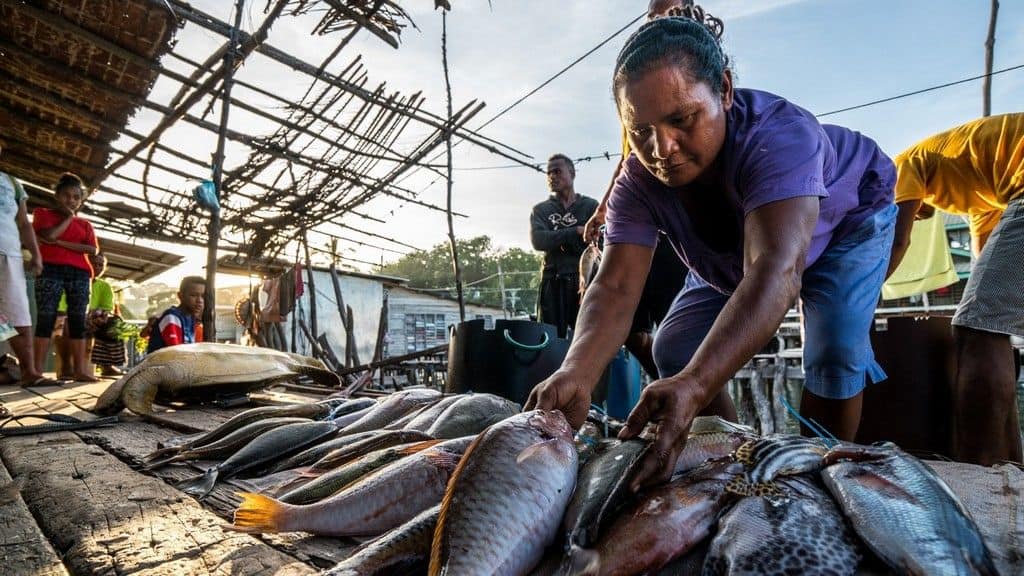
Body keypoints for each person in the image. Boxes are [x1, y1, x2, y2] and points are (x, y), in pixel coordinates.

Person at [527, 7, 897, 490]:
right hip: (734, 248)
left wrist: (698, 384)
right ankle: (734, 455)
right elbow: (615, 286)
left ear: (723, 89)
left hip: (844, 224)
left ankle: (818, 478)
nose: (663, 149)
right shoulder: (638, 182)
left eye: (682, 119)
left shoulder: (780, 137)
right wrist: (576, 370)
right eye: (641, 132)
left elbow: (774, 272)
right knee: (676, 347)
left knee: (833, 350)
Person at [887, 114, 1024, 466]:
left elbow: (898, 239)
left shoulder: (899, 167)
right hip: (1014, 193)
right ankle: (1010, 465)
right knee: (989, 324)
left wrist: (863, 294)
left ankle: (980, 468)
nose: (913, 213)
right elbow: (986, 260)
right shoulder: (976, 194)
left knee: (976, 329)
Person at [582, 0, 693, 381]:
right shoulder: (638, 89)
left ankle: (697, 409)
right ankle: (667, 385)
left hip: (687, 224)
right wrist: (603, 209)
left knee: (683, 336)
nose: (659, 21)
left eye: (670, 11)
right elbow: (631, 160)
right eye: (653, 16)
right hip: (649, 217)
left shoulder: (699, 69)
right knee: (637, 328)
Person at [32, 172, 99, 383]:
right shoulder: (43, 214)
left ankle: (80, 370)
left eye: (76, 197)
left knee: (78, 320)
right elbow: (48, 236)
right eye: (67, 195)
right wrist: (69, 218)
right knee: (46, 318)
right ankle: (36, 373)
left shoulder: (86, 224)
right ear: (57, 195)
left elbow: (92, 249)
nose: (71, 200)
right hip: (49, 269)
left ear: (81, 199)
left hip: (80, 273)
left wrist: (60, 244)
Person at [0, 145, 55, 388]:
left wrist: (36, 254)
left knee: (18, 315)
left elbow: (24, 224)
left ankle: (30, 372)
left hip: (9, 255)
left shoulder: (12, 183)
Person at [530, 154, 599, 338]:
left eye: (557, 171)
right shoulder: (541, 210)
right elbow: (539, 240)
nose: (552, 176)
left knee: (589, 335)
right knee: (550, 337)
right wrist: (575, 231)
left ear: (572, 173)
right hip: (553, 280)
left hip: (585, 280)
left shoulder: (591, 206)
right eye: (549, 173)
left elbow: (600, 242)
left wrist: (557, 238)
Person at [146, 276, 206, 353]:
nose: (199, 300)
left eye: (203, 296)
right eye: (193, 295)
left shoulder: (191, 319)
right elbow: (176, 353)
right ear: (180, 296)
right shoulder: (172, 317)